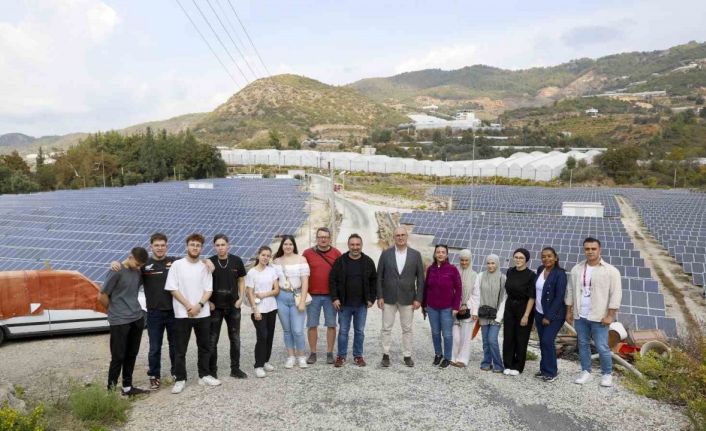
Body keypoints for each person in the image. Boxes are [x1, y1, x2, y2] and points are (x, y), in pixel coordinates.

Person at [109, 233, 214, 390]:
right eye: (156, 245)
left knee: (175, 345)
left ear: (167, 246)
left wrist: (208, 261)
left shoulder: (174, 262)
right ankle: (154, 375)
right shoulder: (144, 265)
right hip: (154, 312)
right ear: (151, 246)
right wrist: (116, 263)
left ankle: (175, 372)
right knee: (155, 347)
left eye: (163, 245)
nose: (160, 248)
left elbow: (193, 259)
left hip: (173, 311)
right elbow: (130, 266)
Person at [165, 233, 221, 394]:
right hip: (182, 314)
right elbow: (173, 288)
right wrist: (189, 306)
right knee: (180, 349)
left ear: (201, 248)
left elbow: (208, 289)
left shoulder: (205, 266)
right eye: (192, 245)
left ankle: (204, 375)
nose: (195, 248)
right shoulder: (177, 265)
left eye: (198, 245)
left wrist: (199, 305)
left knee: (204, 346)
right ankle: (180, 379)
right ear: (187, 246)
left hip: (202, 314)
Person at [566, 237, 622, 388]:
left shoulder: (611, 271)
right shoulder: (577, 269)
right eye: (587, 249)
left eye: (593, 249)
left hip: (599, 316)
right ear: (584, 250)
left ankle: (606, 374)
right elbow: (571, 291)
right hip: (581, 315)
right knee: (583, 344)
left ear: (599, 250)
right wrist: (569, 310)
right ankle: (586, 371)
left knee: (602, 346)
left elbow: (615, 294)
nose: (590, 251)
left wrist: (610, 315)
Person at [99, 247, 150, 396]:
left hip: (136, 318)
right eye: (138, 264)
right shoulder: (116, 271)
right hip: (119, 321)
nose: (139, 267)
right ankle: (111, 392)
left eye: (141, 265)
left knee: (131, 354)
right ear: (130, 257)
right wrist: (114, 310)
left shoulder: (137, 271)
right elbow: (102, 295)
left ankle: (127, 387)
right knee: (118, 356)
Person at [377, 226, 425, 367]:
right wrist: (379, 296)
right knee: (386, 328)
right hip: (388, 297)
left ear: (407, 236)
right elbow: (379, 276)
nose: (400, 237)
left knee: (407, 329)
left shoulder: (415, 255)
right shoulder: (386, 254)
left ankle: (407, 355)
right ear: (394, 237)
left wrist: (418, 298)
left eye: (403, 235)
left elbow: (420, 279)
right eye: (397, 235)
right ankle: (385, 354)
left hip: (408, 298)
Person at [329, 234, 377, 367]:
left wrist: (371, 298)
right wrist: (335, 298)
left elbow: (374, 281)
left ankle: (358, 356)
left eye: (357, 245)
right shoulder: (340, 261)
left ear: (361, 245)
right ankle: (341, 356)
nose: (355, 247)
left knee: (359, 331)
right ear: (348, 245)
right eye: (352, 245)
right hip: (344, 304)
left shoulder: (368, 262)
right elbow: (332, 280)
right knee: (343, 331)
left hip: (361, 304)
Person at [208, 234, 248, 379]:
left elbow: (242, 280)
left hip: (233, 306)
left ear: (228, 245)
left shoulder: (237, 261)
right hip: (215, 307)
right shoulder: (210, 262)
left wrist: (241, 298)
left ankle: (235, 369)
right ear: (214, 246)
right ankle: (212, 371)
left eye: (223, 244)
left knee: (235, 338)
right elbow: (203, 283)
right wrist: (208, 302)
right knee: (213, 340)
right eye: (217, 245)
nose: (220, 247)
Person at [302, 227, 341, 365]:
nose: (323, 239)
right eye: (320, 237)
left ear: (330, 238)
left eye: (325, 237)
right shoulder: (307, 253)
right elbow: (302, 274)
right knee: (312, 325)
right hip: (312, 296)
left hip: (331, 296)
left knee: (331, 325)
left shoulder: (337, 253)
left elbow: (340, 276)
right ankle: (313, 353)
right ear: (316, 238)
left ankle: (330, 353)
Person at [272, 235, 310, 369]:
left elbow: (305, 282)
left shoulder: (301, 260)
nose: (288, 247)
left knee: (298, 330)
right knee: (287, 330)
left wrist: (302, 301)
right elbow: (274, 281)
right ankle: (291, 356)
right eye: (285, 244)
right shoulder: (276, 261)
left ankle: (301, 356)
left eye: (290, 244)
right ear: (282, 246)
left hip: (297, 296)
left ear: (294, 245)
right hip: (281, 297)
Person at [422, 244, 462, 368]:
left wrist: (455, 307)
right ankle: (438, 354)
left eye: (443, 252)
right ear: (435, 254)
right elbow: (426, 288)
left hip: (447, 308)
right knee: (435, 332)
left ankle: (447, 357)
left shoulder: (452, 269)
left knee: (447, 334)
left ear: (446, 254)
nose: (440, 254)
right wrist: (424, 305)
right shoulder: (430, 269)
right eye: (438, 252)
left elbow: (459, 288)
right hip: (432, 307)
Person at [245, 246, 281, 378]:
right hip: (259, 309)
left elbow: (276, 290)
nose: (265, 258)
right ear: (258, 255)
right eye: (263, 255)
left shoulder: (271, 271)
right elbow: (249, 293)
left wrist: (264, 294)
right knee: (262, 336)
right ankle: (258, 365)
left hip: (271, 307)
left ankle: (266, 361)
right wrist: (255, 310)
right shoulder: (252, 273)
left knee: (270, 335)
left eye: (268, 256)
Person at [534, 247, 567, 382]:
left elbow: (559, 297)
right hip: (539, 311)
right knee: (543, 342)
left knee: (547, 341)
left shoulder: (560, 274)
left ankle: (551, 371)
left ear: (555, 258)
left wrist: (549, 316)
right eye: (544, 256)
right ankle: (544, 369)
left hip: (554, 315)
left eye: (549, 256)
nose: (546, 259)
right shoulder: (540, 270)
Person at [502, 248, 536, 376]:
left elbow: (532, 296)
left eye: (521, 258)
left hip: (524, 307)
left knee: (521, 338)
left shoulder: (531, 275)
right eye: (516, 257)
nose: (518, 260)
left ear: (526, 260)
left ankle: (518, 366)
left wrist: (526, 315)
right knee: (508, 336)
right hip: (510, 306)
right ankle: (508, 364)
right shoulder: (510, 271)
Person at [471, 254, 506, 373]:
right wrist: (476, 310)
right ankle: (486, 362)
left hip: (496, 314)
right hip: (483, 313)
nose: (490, 266)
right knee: (485, 340)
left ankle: (498, 364)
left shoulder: (503, 278)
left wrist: (500, 316)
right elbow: (476, 294)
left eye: (493, 263)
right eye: (488, 263)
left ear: (497, 263)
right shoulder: (480, 276)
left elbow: (504, 298)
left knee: (492, 339)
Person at [451, 249, 478, 367]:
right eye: (462, 260)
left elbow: (476, 294)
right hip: (455, 310)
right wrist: (455, 305)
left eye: (466, 260)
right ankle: (452, 357)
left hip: (468, 309)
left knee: (465, 337)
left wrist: (467, 306)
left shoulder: (474, 275)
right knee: (455, 336)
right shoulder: (454, 272)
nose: (464, 262)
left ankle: (462, 359)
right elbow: (451, 290)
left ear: (470, 260)